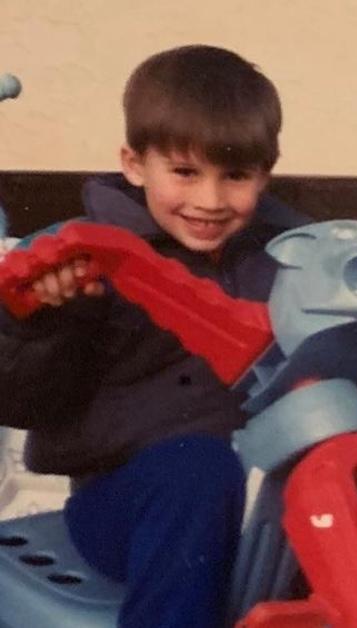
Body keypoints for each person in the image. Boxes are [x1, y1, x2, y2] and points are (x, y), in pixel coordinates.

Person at [0, 45, 309, 626]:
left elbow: (330, 373)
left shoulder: (290, 256)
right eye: (185, 172)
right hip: (129, 497)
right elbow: (23, 398)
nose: (210, 201)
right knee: (196, 470)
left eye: (236, 176)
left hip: (269, 488)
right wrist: (45, 318)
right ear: (135, 164)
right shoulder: (91, 260)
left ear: (265, 174)